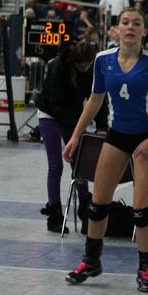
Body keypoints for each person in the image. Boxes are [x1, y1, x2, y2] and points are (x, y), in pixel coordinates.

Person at [62, 8, 148, 292]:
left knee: (141, 210)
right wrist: (76, 136)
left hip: (147, 137)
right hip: (117, 135)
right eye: (125, 23)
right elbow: (95, 100)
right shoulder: (103, 60)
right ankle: (91, 261)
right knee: (97, 205)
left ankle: (145, 269)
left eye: (136, 23)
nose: (130, 27)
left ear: (144, 31)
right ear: (116, 29)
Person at [35, 41, 105, 233]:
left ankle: (85, 208)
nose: (85, 69)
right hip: (49, 114)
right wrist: (76, 131)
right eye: (81, 66)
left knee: (79, 164)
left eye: (88, 66)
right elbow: (57, 105)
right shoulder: (57, 67)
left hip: (74, 116)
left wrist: (101, 126)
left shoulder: (93, 69)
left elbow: (98, 98)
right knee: (56, 164)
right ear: (74, 62)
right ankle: (54, 213)